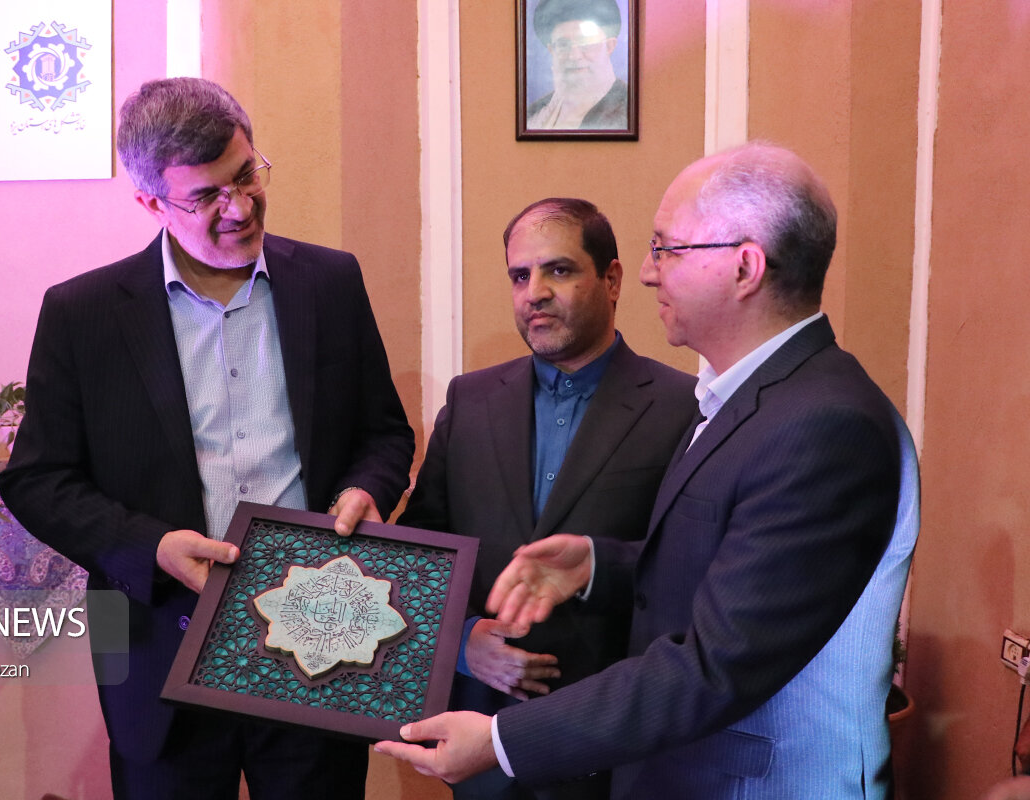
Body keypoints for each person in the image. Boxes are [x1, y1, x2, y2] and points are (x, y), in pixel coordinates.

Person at [376, 142, 921, 799]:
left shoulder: (822, 424)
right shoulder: (755, 399)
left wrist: (502, 741)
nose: (647, 273)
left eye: (668, 249)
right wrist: (597, 566)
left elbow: (715, 664)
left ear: (744, 267)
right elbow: (722, 566)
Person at [0, 77, 415, 800]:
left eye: (247, 175)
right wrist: (151, 547)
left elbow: (383, 433)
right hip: (160, 646)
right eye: (207, 196)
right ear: (151, 203)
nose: (242, 207)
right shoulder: (82, 313)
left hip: (319, 637)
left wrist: (364, 488)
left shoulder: (331, 281)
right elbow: (36, 480)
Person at [398, 197, 695, 799]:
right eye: (519, 275)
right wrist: (461, 641)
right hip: (479, 740)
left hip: (614, 747)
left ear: (612, 280)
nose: (534, 293)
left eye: (558, 270)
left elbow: (691, 566)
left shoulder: (682, 407)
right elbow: (419, 552)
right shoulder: (471, 400)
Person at [527, 0, 628, 130]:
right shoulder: (534, 114)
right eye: (563, 45)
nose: (574, 56)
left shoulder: (631, 108)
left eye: (585, 43)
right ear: (552, 50)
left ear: (609, 46)